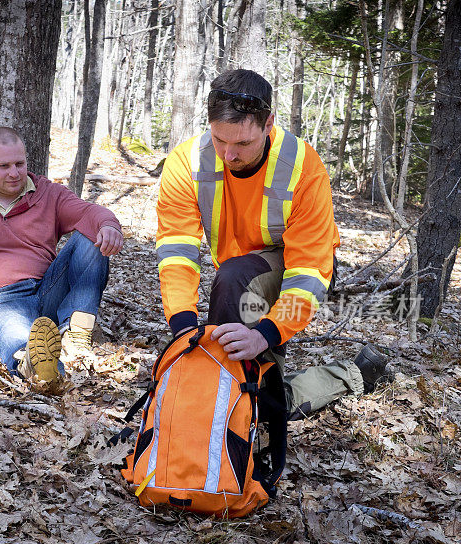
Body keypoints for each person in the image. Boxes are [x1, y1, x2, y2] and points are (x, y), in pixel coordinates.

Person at [156, 69, 388, 419]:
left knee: (234, 393)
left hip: (300, 274)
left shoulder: (303, 167)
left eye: (243, 144)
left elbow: (310, 271)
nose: (228, 155)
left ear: (268, 124)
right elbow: (177, 250)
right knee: (257, 399)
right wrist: (183, 325)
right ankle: (350, 374)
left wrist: (267, 333)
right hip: (240, 273)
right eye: (220, 140)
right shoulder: (186, 163)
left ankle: (230, 404)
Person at [0, 127, 124, 387]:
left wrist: (108, 225)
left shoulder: (48, 194)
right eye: (4, 166)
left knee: (90, 234)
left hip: (46, 290)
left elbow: (90, 212)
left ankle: (75, 331)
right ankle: (34, 363)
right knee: (15, 329)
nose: (14, 173)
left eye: (20, 163)